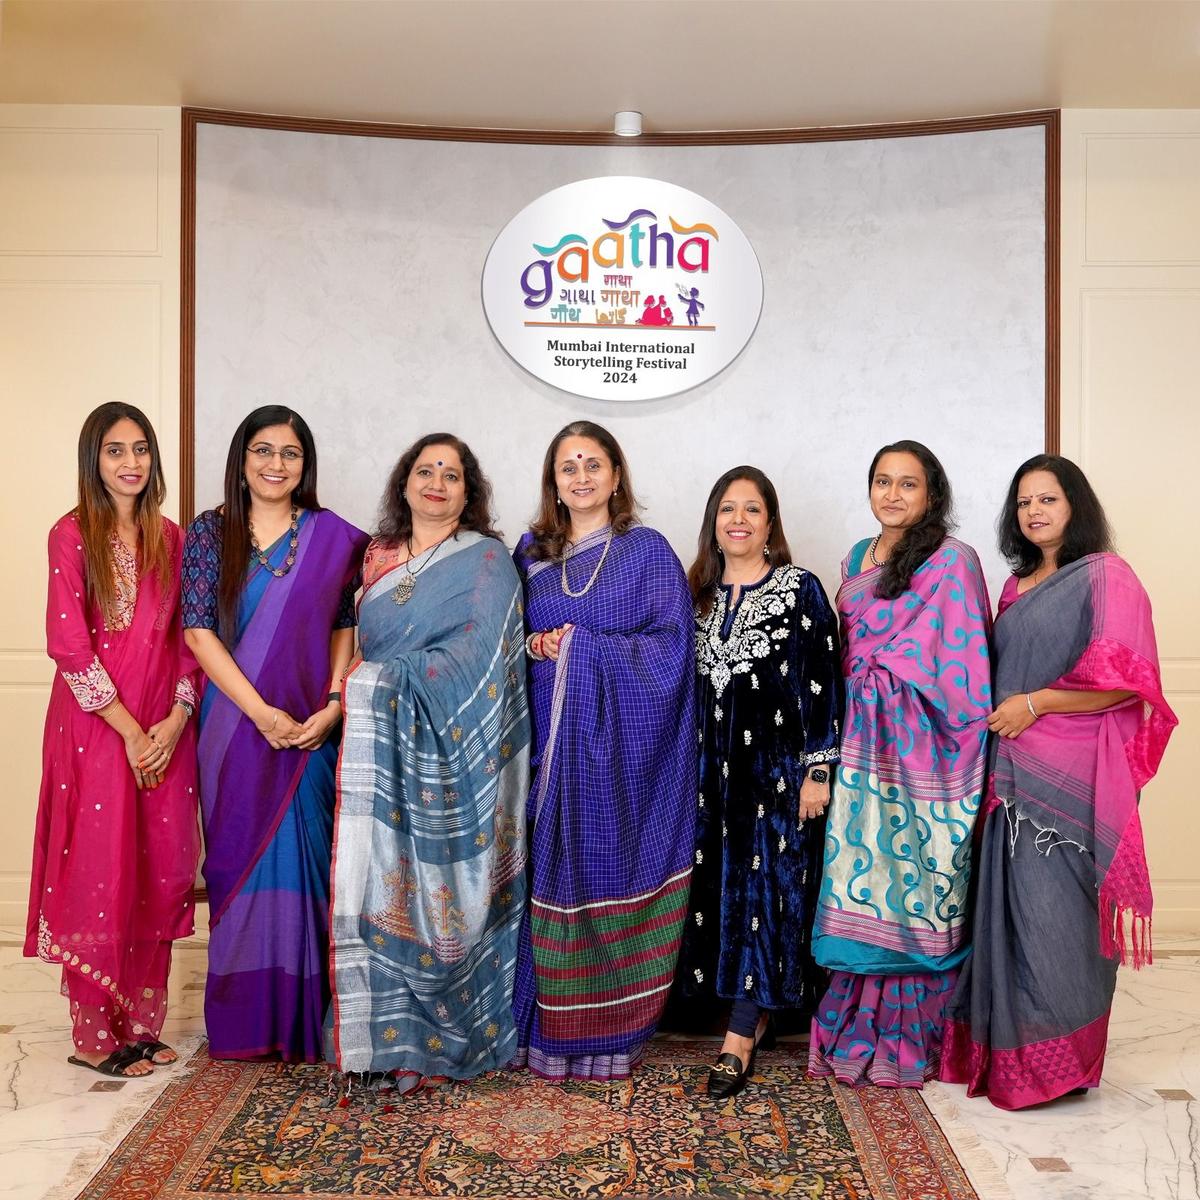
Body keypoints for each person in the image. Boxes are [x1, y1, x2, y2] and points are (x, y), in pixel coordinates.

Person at [941, 455, 1176, 1109]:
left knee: (1060, 926)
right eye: (1023, 503)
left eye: (1048, 498)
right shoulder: (1016, 586)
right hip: (1009, 780)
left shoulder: (1106, 576)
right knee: (1010, 922)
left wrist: (1037, 705)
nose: (1035, 511)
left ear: (1076, 505)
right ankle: (1017, 1061)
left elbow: (1123, 679)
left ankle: (1063, 1063)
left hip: (1071, 786)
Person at [327, 434, 530, 1088]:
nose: (436, 482)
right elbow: (360, 642)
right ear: (404, 481)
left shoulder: (488, 561)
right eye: (425, 470)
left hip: (456, 762)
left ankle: (442, 1040)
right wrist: (367, 687)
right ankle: (382, 1043)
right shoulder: (377, 559)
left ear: (469, 492)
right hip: (382, 753)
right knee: (380, 885)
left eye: (451, 473)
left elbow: (480, 661)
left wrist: (379, 683)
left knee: (442, 900)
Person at [511, 420, 697, 1081]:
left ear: (617, 477)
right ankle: (540, 1030)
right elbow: (505, 643)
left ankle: (607, 1034)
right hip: (544, 752)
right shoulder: (530, 554)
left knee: (604, 871)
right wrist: (539, 647)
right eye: (569, 466)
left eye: (595, 464)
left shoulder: (647, 553)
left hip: (619, 763)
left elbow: (675, 651)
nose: (582, 476)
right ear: (553, 481)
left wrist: (585, 651)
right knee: (541, 879)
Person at [182, 406, 368, 1061]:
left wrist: (334, 703)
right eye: (262, 451)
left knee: (306, 870)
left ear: (304, 465)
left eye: (289, 454)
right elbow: (198, 631)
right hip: (235, 732)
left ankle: (297, 1020)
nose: (275, 464)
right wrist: (260, 714)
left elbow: (347, 622)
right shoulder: (211, 533)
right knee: (238, 864)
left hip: (311, 729)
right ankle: (242, 1022)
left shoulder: (334, 538)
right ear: (241, 459)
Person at [809, 440, 992, 1088]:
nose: (891, 495)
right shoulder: (858, 559)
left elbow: (967, 673)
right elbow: (841, 649)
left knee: (915, 881)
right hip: (862, 750)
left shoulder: (954, 563)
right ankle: (858, 1029)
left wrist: (893, 684)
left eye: (907, 484)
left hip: (922, 756)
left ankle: (912, 1038)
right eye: (882, 481)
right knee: (862, 875)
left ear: (931, 495)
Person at [26, 402, 200, 1078]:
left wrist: (176, 720)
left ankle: (139, 1021)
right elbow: (69, 646)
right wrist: (130, 731)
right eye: (115, 451)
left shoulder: (172, 538)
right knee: (101, 868)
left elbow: (191, 637)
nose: (131, 463)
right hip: (98, 729)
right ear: (93, 461)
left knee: (157, 867)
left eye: (141, 450)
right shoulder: (71, 536)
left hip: (165, 727)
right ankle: (94, 1034)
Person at [676, 467, 842, 1098]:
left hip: (774, 779)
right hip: (708, 781)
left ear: (771, 523)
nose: (738, 520)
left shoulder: (799, 589)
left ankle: (742, 1034)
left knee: (763, 897)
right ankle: (751, 1010)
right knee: (720, 895)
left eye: (752, 509)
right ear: (712, 522)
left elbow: (822, 682)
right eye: (727, 509)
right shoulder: (694, 595)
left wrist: (816, 770)